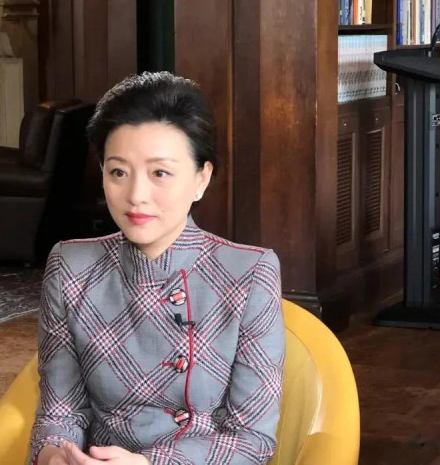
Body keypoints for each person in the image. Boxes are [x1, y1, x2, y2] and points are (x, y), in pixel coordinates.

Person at [30, 72, 285, 465]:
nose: (136, 195)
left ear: (201, 178)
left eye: (159, 173)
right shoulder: (70, 267)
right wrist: (56, 457)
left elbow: (253, 440)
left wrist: (150, 464)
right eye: (118, 172)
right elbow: (60, 413)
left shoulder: (250, 274)